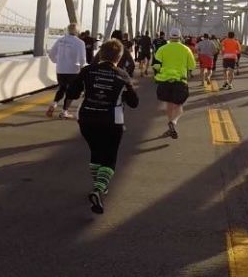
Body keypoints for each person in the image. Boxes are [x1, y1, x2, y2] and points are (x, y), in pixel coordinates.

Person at [66, 39, 139, 214]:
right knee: (109, 157)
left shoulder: (87, 71)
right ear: (119, 57)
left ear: (100, 54)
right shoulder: (122, 75)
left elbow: (72, 93)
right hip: (111, 121)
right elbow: (134, 102)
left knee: (96, 153)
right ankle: (99, 189)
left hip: (87, 118)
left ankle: (100, 186)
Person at [153, 28, 196, 139]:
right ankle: (173, 122)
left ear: (170, 36)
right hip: (180, 80)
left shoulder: (162, 48)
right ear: (180, 37)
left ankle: (170, 125)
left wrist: (160, 71)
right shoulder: (186, 49)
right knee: (179, 105)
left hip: (165, 80)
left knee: (169, 104)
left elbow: (156, 65)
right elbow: (192, 66)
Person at [46, 22, 88, 119]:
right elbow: (82, 59)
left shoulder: (60, 40)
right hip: (73, 70)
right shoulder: (80, 43)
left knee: (62, 88)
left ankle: (54, 104)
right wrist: (82, 69)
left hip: (60, 70)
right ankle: (64, 111)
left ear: (68, 30)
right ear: (77, 31)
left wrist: (58, 62)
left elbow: (51, 54)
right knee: (71, 92)